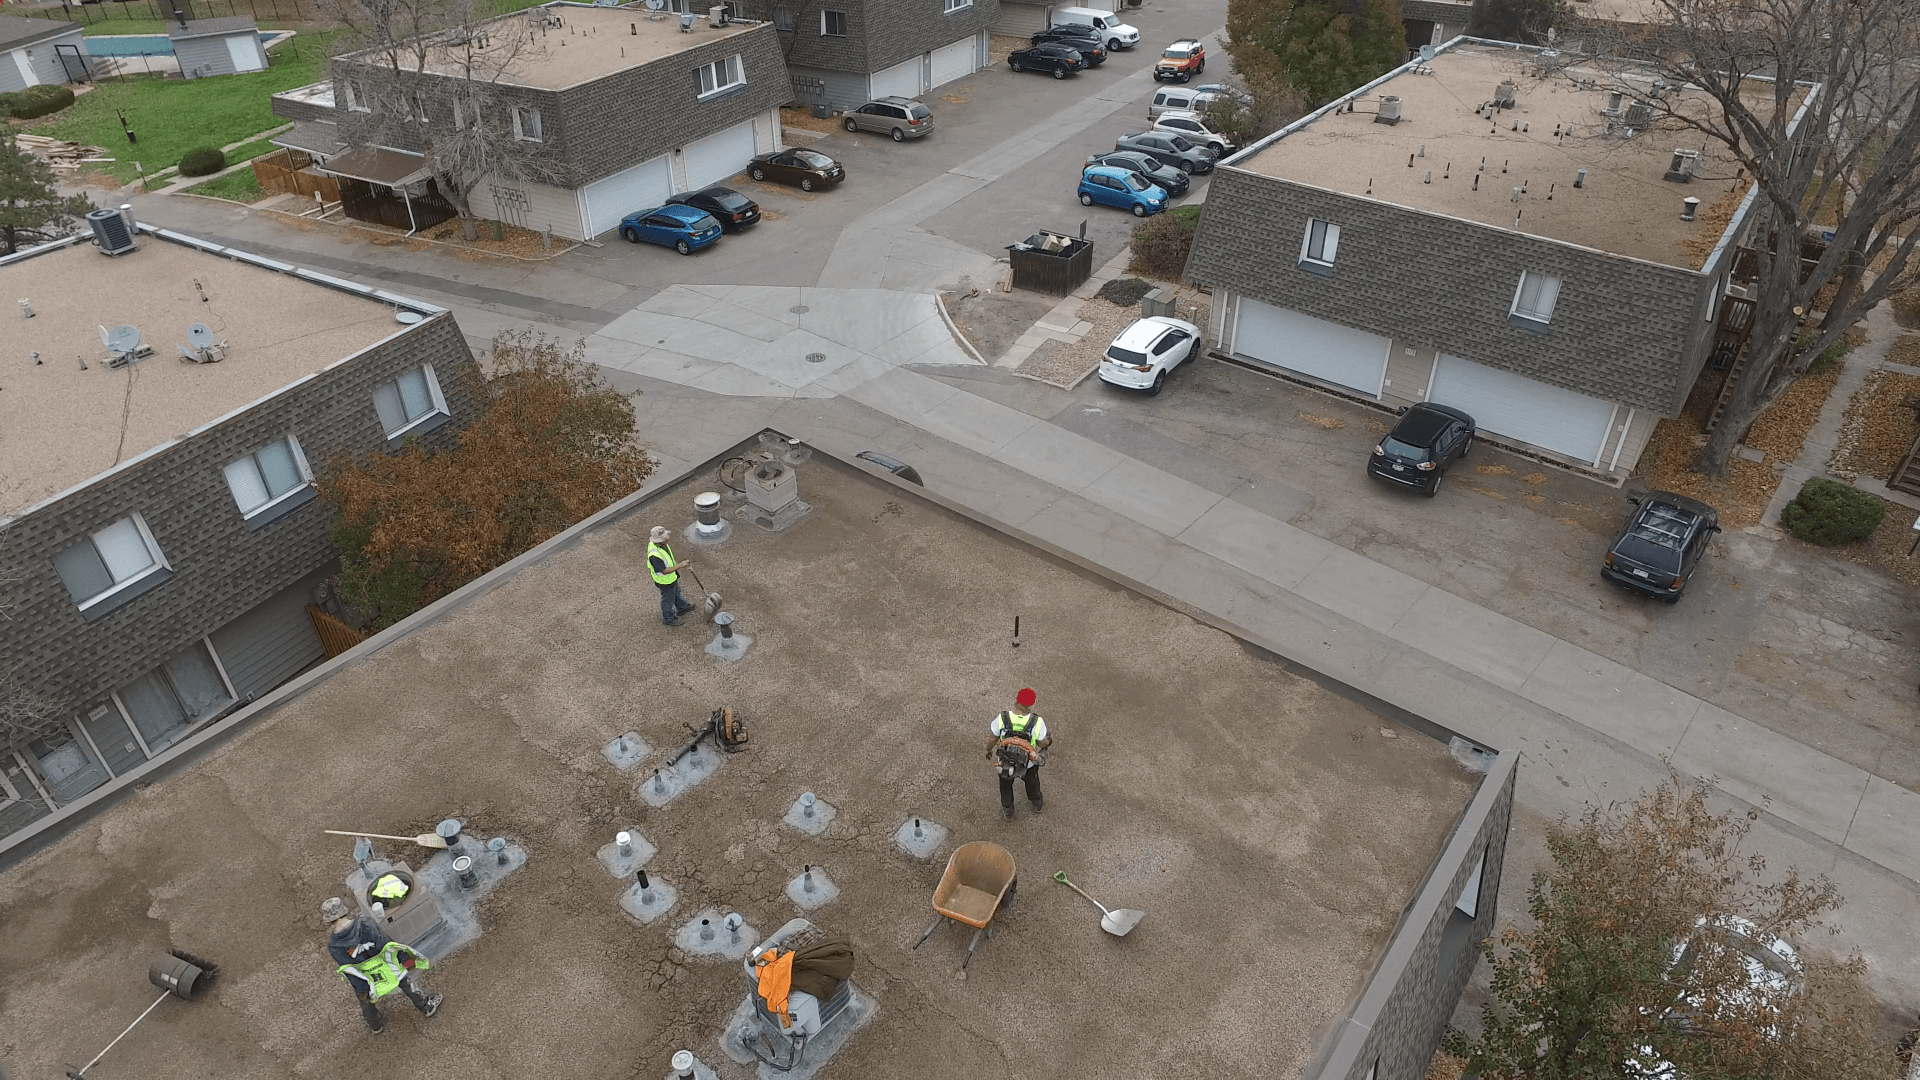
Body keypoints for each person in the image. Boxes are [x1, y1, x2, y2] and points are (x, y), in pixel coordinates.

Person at [322, 896, 441, 1034]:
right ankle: (427, 1006)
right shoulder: (366, 923)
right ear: (344, 911)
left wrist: (361, 988)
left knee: (363, 997)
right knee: (403, 980)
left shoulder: (334, 945)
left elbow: (348, 969)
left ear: (329, 919)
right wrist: (404, 959)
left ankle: (375, 1024)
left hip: (366, 978)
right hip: (386, 968)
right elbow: (386, 945)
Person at [986, 687, 1051, 819]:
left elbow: (993, 738)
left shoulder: (1003, 718)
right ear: (1032, 704)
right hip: (1029, 764)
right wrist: (1049, 741)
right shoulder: (1037, 722)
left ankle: (1008, 811)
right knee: (1032, 784)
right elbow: (1041, 743)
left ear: (1016, 700)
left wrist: (988, 750)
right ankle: (1037, 803)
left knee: (1005, 787)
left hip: (1005, 762)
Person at [647, 526, 696, 626]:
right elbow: (664, 571)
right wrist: (680, 565)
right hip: (664, 581)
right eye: (665, 538)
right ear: (660, 540)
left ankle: (682, 608)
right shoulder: (654, 555)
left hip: (671, 577)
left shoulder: (661, 545)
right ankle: (668, 619)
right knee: (667, 601)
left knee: (676, 592)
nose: (667, 538)